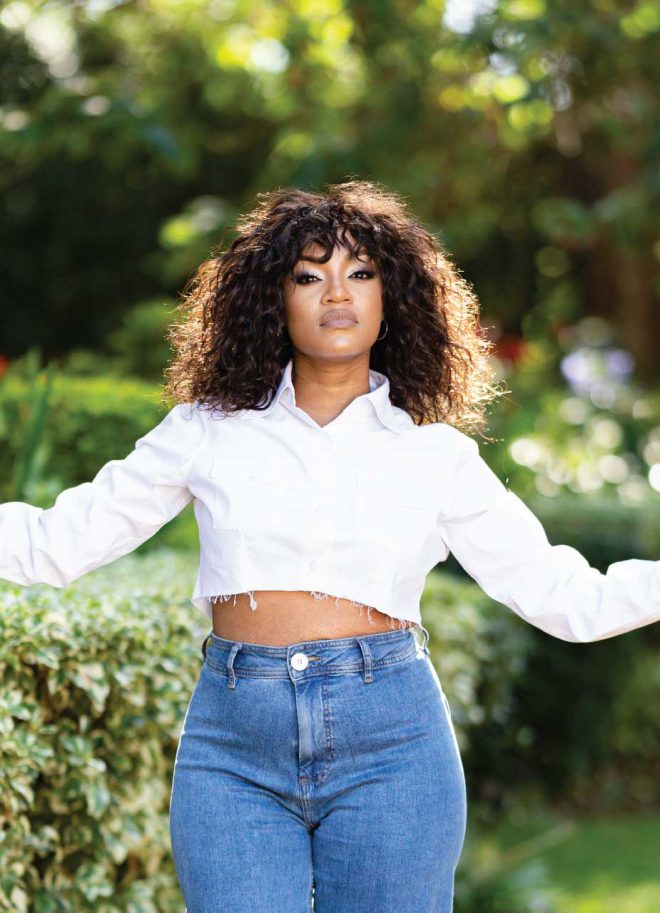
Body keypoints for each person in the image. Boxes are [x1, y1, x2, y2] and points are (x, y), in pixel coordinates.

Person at [1, 180, 658, 913]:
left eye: (361, 273)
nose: (337, 293)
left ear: (391, 298)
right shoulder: (206, 430)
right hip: (233, 752)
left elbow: (567, 598)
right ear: (273, 301)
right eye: (309, 276)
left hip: (395, 749)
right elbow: (60, 542)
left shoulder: (435, 455)